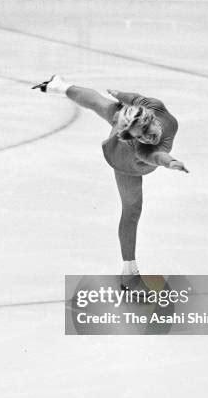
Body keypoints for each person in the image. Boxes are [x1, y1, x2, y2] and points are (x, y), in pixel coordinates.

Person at [33, 75, 189, 286]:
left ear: (150, 118)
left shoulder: (154, 107)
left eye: (145, 131)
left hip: (125, 120)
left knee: (101, 103)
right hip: (127, 160)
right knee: (132, 209)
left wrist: (120, 94)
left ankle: (58, 85)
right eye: (140, 137)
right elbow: (154, 156)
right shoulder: (140, 146)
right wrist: (170, 161)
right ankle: (129, 272)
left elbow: (135, 98)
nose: (146, 138)